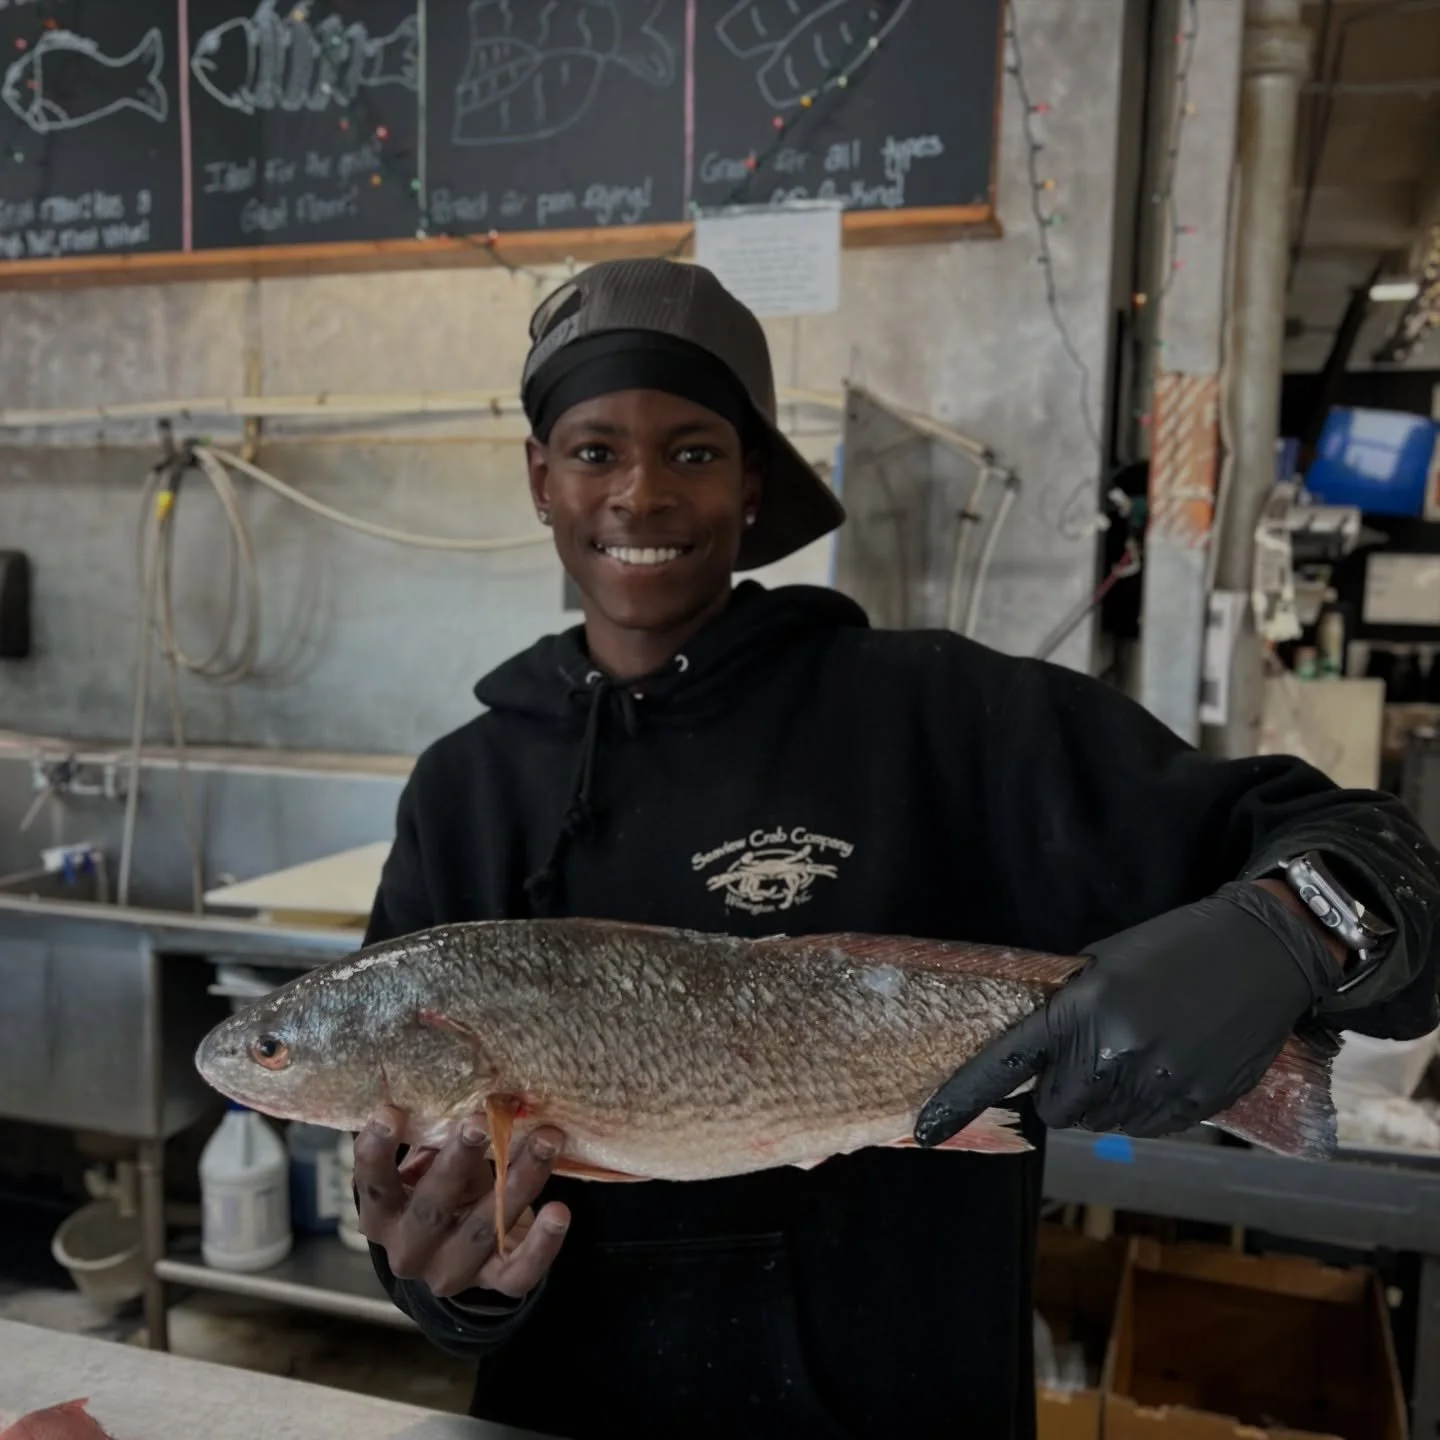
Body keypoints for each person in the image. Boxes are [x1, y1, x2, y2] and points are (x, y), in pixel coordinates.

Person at [353, 257, 1440, 1440]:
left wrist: (1286, 929)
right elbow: (426, 1226)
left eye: (695, 450)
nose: (642, 494)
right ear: (540, 479)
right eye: (596, 451)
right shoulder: (464, 788)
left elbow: (1370, 851)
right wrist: (447, 1287)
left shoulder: (950, 719)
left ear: (755, 478)